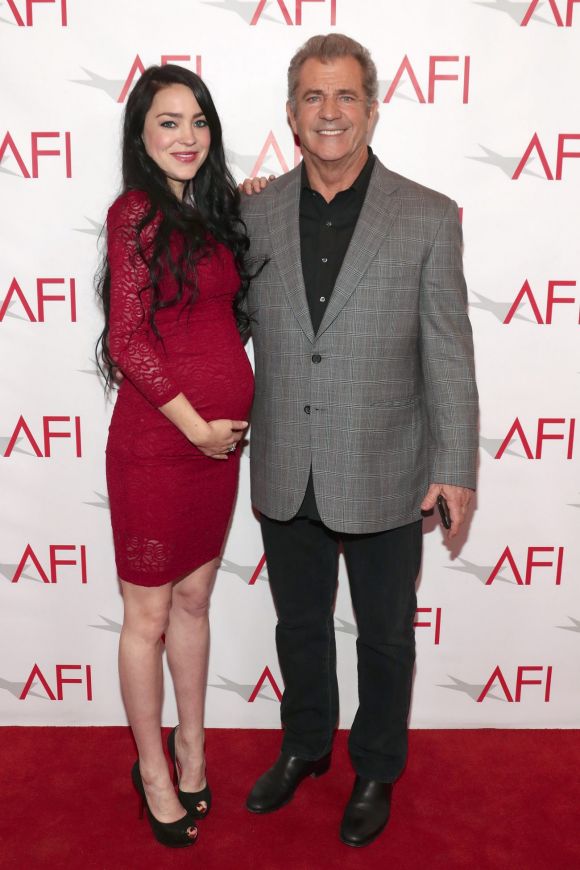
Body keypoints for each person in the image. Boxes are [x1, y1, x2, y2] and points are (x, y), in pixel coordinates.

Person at [242, 34, 479, 847]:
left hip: (387, 468)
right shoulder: (253, 212)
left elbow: (449, 351)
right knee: (298, 628)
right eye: (314, 97)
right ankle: (307, 745)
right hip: (283, 465)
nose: (331, 112)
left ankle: (376, 765)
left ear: (373, 109)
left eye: (347, 96)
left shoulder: (426, 214)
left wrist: (454, 467)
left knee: (385, 637)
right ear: (291, 114)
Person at [97, 64, 254, 847]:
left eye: (198, 121)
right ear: (140, 134)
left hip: (215, 453)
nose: (187, 136)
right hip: (160, 446)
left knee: (194, 604)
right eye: (168, 121)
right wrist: (195, 423)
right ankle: (153, 769)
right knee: (149, 614)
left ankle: (194, 748)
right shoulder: (134, 214)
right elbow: (128, 339)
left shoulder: (215, 212)